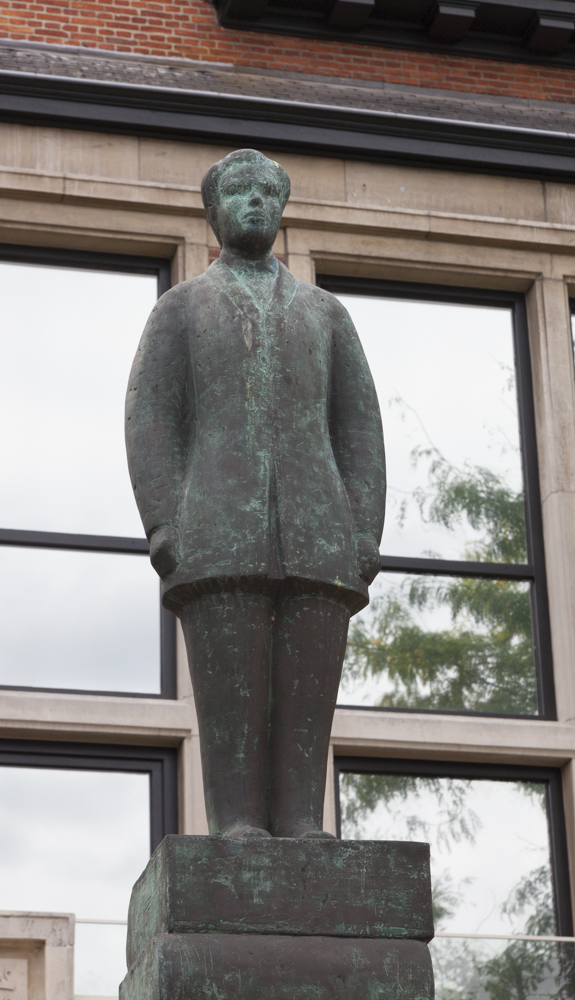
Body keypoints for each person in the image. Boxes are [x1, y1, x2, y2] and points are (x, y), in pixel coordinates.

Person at [126, 148, 386, 839]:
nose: (253, 203)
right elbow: (150, 419)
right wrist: (165, 524)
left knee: (306, 696)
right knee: (230, 697)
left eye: (266, 194)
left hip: (318, 533)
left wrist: (363, 533)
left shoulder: (324, 314)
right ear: (212, 212)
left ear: (281, 209)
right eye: (238, 193)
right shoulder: (181, 309)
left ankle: (302, 822)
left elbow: (359, 427)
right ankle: (237, 821)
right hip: (214, 529)